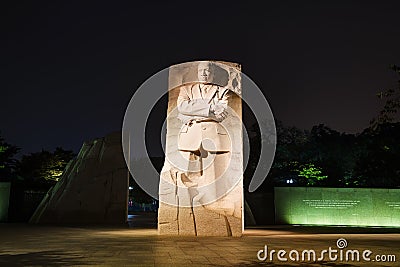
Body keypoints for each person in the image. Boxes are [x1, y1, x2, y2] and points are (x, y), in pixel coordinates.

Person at [176, 61, 234, 215]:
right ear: (197, 72)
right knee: (188, 173)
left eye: (207, 71)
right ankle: (191, 200)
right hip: (190, 136)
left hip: (214, 136)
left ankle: (211, 201)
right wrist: (209, 108)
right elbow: (181, 109)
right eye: (201, 70)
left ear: (213, 73)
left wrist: (193, 111)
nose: (204, 73)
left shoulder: (222, 91)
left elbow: (222, 112)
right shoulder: (186, 89)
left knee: (213, 172)